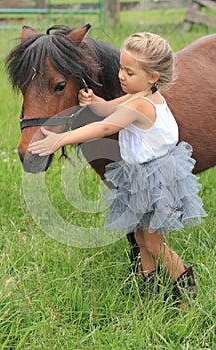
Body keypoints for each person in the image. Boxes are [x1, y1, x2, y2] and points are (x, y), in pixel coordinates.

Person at [28, 32, 206, 302]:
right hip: (140, 176)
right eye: (121, 68)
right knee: (139, 235)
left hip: (155, 179)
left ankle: (187, 292)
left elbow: (107, 125)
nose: (121, 75)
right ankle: (149, 290)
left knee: (154, 242)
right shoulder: (143, 94)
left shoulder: (140, 105)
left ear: (153, 76)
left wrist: (60, 139)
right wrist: (92, 101)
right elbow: (108, 108)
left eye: (129, 72)